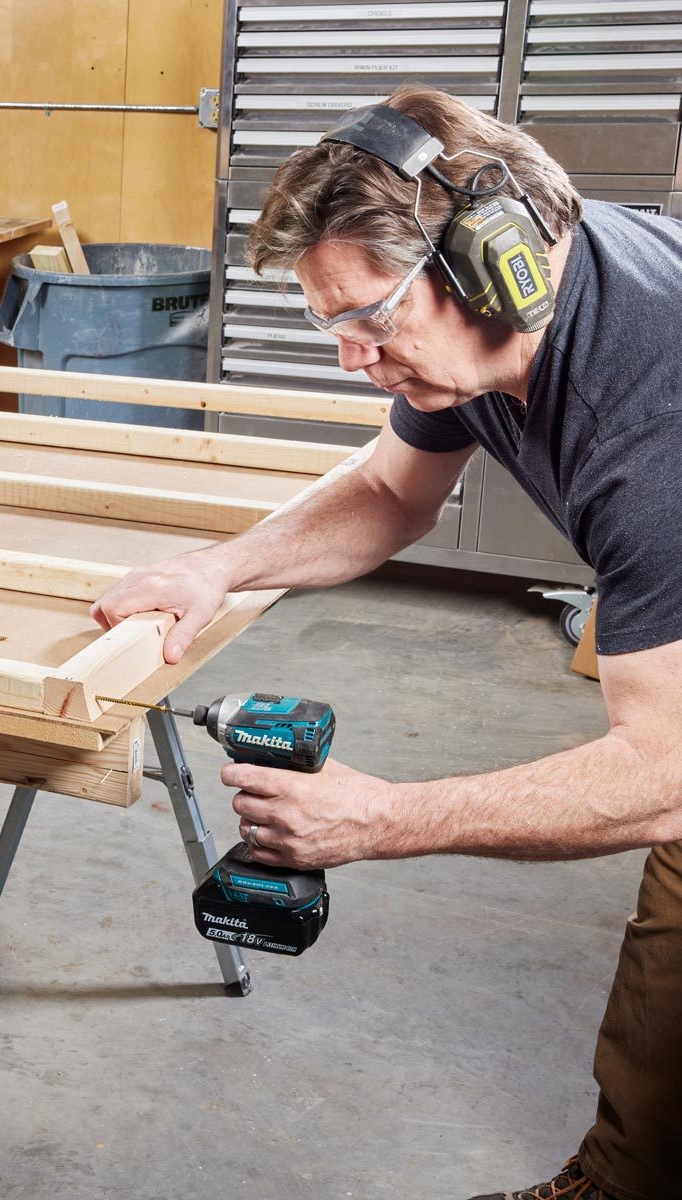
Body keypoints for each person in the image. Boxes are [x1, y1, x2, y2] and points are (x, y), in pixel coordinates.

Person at [90, 84, 682, 1200]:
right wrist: (216, 568)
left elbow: (663, 776)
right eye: (334, 328)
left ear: (496, 263)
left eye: (370, 322)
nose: (353, 360)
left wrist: (384, 821)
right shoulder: (489, 325)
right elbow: (388, 494)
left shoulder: (653, 428)